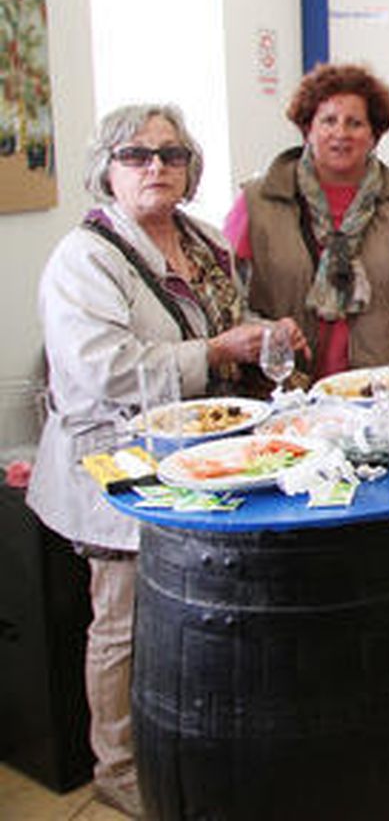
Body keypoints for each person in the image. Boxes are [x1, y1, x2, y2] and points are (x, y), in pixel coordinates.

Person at [28, 105, 304, 817]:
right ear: (106, 168)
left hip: (201, 454)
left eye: (171, 154)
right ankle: (117, 767)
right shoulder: (84, 260)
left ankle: (191, 741)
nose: (156, 166)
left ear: (190, 167)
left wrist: (264, 339)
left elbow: (229, 325)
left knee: (194, 608)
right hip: (115, 461)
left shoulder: (205, 240)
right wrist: (216, 353)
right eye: (137, 154)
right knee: (120, 618)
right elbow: (101, 372)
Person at [225, 62, 389, 380]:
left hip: (378, 393)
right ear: (308, 128)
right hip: (284, 391)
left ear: (374, 134)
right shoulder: (257, 203)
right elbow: (226, 299)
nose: (341, 134)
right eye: (328, 121)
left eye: (355, 123)